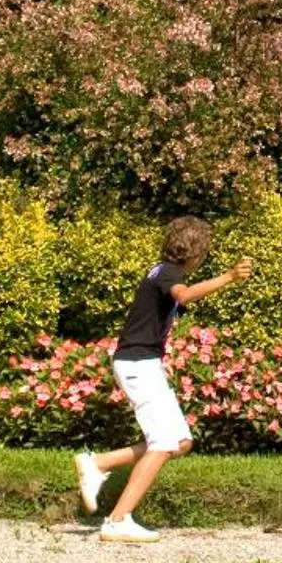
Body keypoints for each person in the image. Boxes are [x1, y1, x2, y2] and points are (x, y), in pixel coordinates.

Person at [73, 216, 253, 543]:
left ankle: (98, 464)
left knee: (180, 442)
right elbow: (183, 296)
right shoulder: (170, 273)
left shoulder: (160, 272)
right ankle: (117, 520)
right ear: (194, 254)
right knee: (162, 442)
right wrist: (228, 277)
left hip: (144, 363)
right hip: (137, 365)